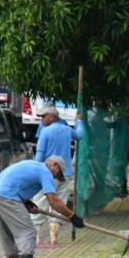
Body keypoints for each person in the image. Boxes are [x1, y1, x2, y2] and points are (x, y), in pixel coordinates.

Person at [0, 157, 86, 258]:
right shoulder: (46, 172)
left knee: (9, 235)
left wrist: (26, 203)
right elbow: (53, 201)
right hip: (7, 196)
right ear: (54, 164)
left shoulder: (32, 164)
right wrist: (72, 217)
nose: (55, 177)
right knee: (28, 232)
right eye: (58, 173)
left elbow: (15, 182)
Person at [30, 104, 84, 246]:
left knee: (39, 203)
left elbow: (40, 155)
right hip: (64, 173)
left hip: (47, 173)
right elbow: (80, 135)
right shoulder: (67, 130)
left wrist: (35, 172)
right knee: (59, 203)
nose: (41, 119)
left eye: (43, 116)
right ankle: (53, 240)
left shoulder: (45, 132)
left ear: (52, 117)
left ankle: (36, 240)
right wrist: (79, 122)